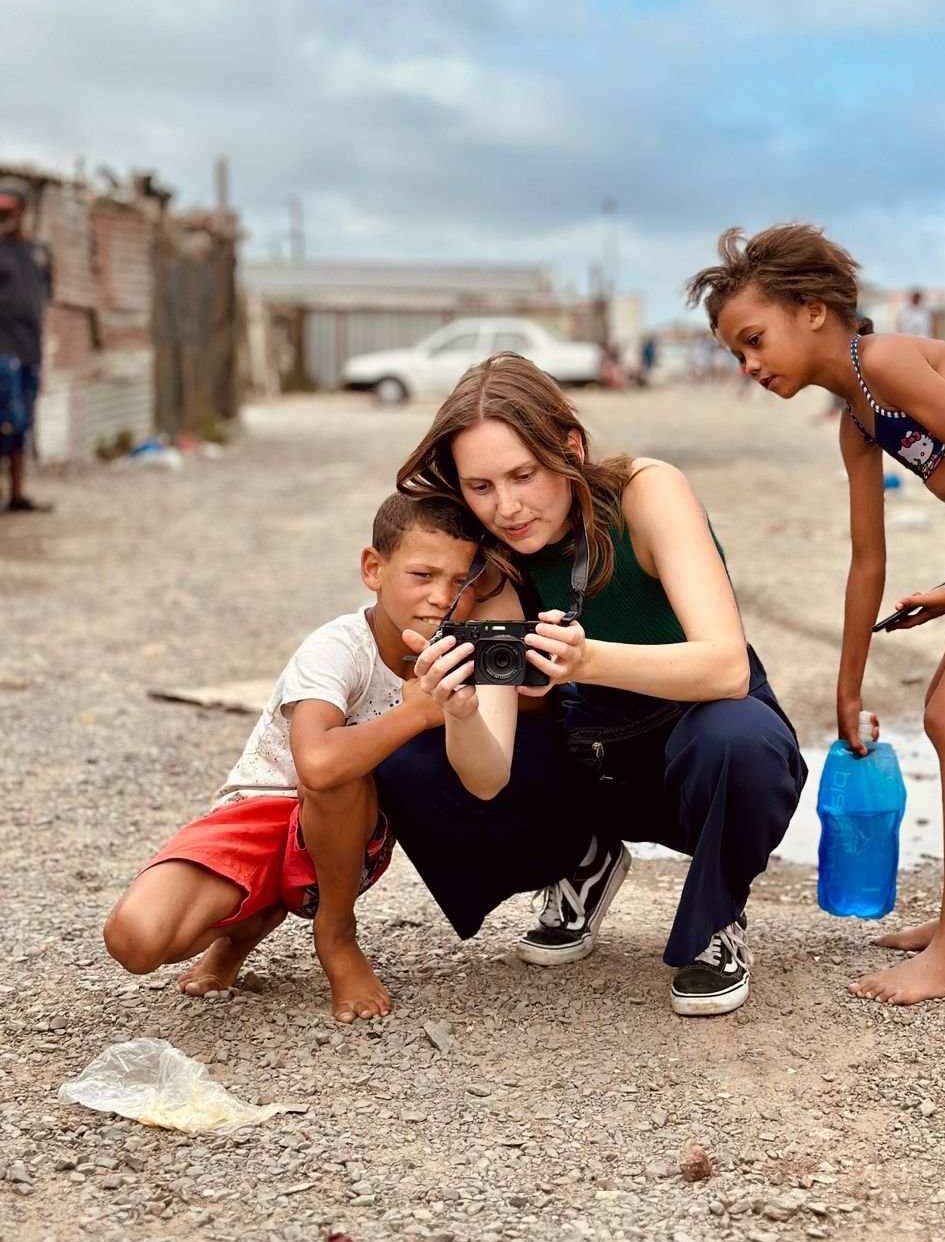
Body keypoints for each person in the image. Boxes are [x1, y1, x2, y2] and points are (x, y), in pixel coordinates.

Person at [687, 224, 945, 1007]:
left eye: (753, 341)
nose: (748, 367)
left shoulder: (882, 361)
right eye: (735, 355)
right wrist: (848, 691)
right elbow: (866, 562)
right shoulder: (856, 415)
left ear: (813, 310)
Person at [383, 353, 806, 1017]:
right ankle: (584, 859)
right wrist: (462, 712)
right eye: (482, 486)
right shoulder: (494, 565)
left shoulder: (645, 493)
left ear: (570, 448)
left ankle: (715, 918)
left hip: (695, 747)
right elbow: (488, 777)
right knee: (410, 761)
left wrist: (586, 663)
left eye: (524, 475)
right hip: (593, 757)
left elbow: (724, 666)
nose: (509, 507)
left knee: (738, 736)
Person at [104, 493, 482, 1023]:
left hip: (342, 839)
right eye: (422, 575)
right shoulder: (338, 647)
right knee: (136, 940)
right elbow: (316, 762)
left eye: (460, 582)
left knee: (339, 780)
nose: (442, 597)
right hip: (257, 812)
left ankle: (336, 933)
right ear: (373, 568)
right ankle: (246, 925)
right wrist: (417, 713)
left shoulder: (462, 654)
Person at [0, 177, 53, 512]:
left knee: (23, 425)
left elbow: (46, 295)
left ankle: (17, 494)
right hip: (2, 350)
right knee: (5, 418)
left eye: (10, 210)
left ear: (25, 210)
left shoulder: (40, 252)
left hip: (30, 348)